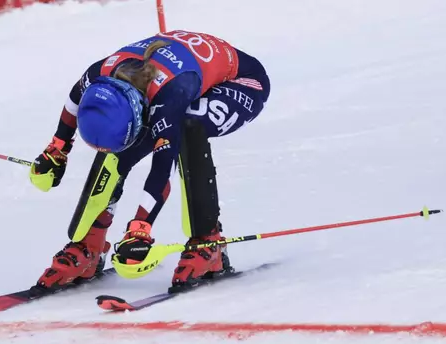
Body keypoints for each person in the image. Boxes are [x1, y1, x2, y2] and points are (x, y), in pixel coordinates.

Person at [28, 30, 270, 293]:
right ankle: (90, 243)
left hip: (243, 81)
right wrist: (57, 149)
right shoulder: (101, 74)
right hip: (176, 71)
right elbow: (75, 98)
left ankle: (208, 241)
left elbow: (161, 170)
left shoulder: (169, 96)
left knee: (188, 126)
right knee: (119, 144)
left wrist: (140, 228)